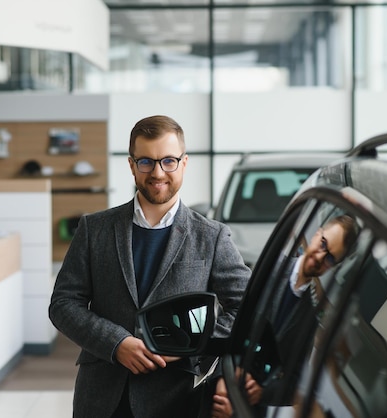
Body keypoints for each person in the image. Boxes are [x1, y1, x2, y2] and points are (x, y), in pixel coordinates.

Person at [48, 115, 252, 418]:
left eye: (168, 161)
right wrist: (116, 343)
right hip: (101, 396)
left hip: (174, 397)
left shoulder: (211, 236)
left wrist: (191, 345)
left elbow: (247, 308)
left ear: (184, 163)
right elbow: (63, 304)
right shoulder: (95, 228)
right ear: (132, 165)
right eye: (146, 162)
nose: (158, 172)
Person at [210, 214, 358, 416]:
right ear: (317, 235)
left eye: (331, 258)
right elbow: (232, 323)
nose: (320, 257)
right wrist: (222, 378)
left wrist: (263, 392)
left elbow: (295, 381)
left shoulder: (314, 314)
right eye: (323, 244)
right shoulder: (268, 267)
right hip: (219, 396)